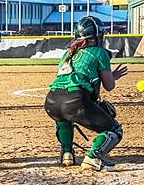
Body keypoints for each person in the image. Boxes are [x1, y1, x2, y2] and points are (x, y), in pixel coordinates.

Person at [44, 16, 128, 171]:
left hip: (51, 101)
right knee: (115, 129)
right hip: (75, 100)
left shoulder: (67, 54)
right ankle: (93, 157)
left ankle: (66, 153)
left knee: (64, 118)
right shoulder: (100, 52)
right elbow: (109, 86)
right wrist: (113, 77)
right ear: (95, 36)